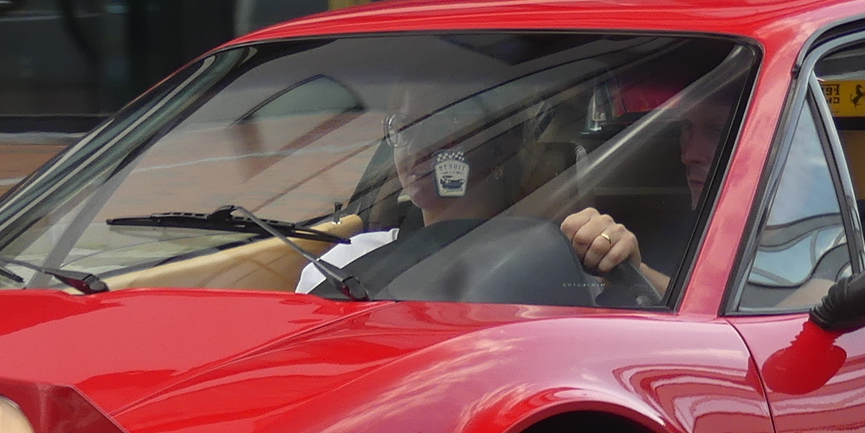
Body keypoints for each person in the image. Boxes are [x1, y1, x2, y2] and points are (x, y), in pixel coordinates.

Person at [295, 82, 733, 302]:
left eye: (443, 126)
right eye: (401, 128)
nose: (416, 145)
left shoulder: (568, 262)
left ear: (504, 147)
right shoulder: (339, 263)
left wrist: (622, 263)